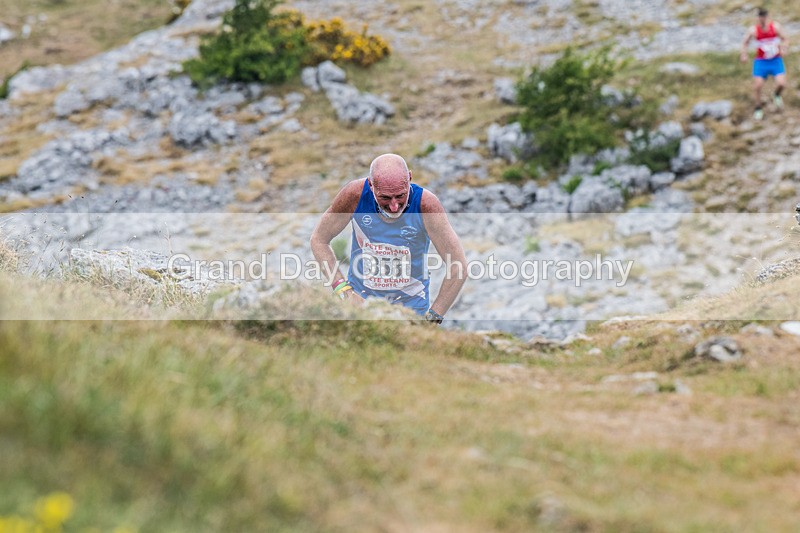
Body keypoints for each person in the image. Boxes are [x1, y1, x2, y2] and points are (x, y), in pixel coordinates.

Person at [310, 153, 467, 323]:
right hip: (360, 304)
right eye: (384, 197)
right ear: (371, 184)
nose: (394, 206)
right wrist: (343, 290)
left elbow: (458, 266)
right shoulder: (355, 195)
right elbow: (319, 239)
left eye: (400, 195)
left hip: (411, 308)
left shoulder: (426, 205)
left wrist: (433, 318)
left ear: (409, 178)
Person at [740, 7, 789, 121]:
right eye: (760, 16)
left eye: (764, 16)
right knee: (757, 86)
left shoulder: (775, 27)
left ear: (768, 16)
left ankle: (776, 95)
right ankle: (758, 108)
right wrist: (743, 54)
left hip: (775, 60)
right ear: (757, 17)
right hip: (761, 61)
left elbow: (785, 39)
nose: (762, 19)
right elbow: (745, 43)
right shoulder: (753, 30)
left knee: (781, 84)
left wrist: (784, 48)